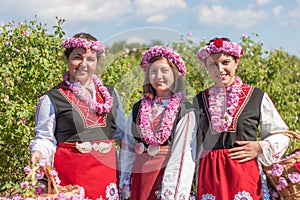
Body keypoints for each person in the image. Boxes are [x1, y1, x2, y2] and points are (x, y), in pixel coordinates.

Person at [30, 32, 126, 200]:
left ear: (97, 62)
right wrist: (38, 152)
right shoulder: (52, 98)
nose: (83, 64)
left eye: (90, 59)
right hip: (70, 180)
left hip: (107, 180)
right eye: (77, 57)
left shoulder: (111, 94)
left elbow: (122, 135)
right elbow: (45, 138)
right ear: (67, 59)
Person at [193, 37, 290, 200]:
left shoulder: (256, 96)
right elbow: (191, 144)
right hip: (209, 177)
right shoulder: (199, 100)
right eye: (212, 64)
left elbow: (281, 134)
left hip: (245, 175)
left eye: (225, 62)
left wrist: (260, 147)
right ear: (206, 67)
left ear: (236, 62)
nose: (220, 69)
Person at [119, 46, 197, 200]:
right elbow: (128, 146)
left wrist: (171, 192)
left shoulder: (185, 109)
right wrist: (125, 182)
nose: (158, 76)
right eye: (153, 72)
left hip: (165, 176)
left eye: (164, 71)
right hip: (140, 176)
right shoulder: (139, 107)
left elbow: (183, 155)